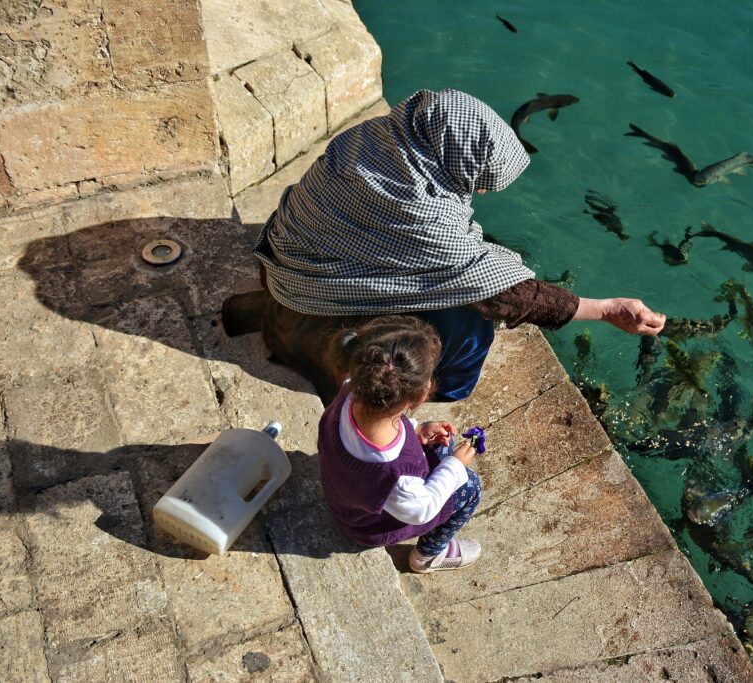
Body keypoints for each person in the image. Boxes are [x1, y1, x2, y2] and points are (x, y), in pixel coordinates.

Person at [227, 88, 665, 403]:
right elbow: (507, 294)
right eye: (478, 179)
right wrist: (607, 309)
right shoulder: (422, 214)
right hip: (315, 305)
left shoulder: (380, 137)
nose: (481, 191)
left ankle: (290, 324)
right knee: (471, 318)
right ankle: (439, 388)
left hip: (281, 267)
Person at [318, 315, 483, 573]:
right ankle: (428, 556)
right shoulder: (394, 474)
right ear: (420, 395)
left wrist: (416, 429)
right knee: (470, 487)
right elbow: (422, 510)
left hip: (346, 491)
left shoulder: (353, 388)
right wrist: (455, 466)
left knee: (440, 448)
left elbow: (384, 426)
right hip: (367, 524)